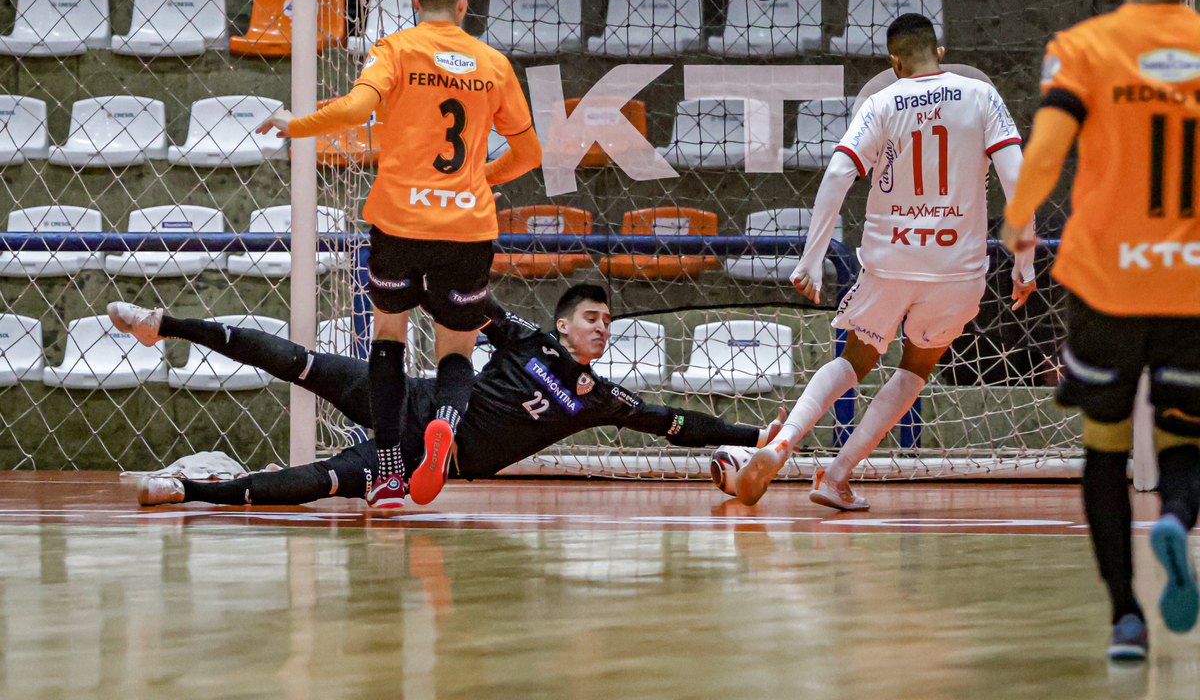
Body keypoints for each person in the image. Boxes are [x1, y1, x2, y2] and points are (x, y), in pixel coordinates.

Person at [256, 0, 543, 508]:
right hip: (466, 225)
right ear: (465, 4)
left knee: (389, 336)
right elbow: (529, 152)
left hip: (399, 221)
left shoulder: (396, 48)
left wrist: (296, 124)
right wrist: (476, 179)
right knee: (456, 347)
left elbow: (355, 109)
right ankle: (445, 423)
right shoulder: (494, 63)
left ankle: (388, 470)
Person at [722, 13, 1037, 508]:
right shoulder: (981, 95)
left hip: (889, 262)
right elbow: (1018, 178)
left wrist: (810, 259)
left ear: (895, 62)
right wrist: (1025, 260)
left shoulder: (881, 101)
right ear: (940, 51)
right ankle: (836, 476)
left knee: (855, 359)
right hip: (956, 270)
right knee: (915, 368)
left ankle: (782, 444)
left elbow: (837, 175)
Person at [1001, 0, 1200, 662]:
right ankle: (1176, 517)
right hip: (1192, 288)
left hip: (1107, 283)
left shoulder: (1083, 48)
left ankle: (1126, 619)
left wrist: (1016, 221)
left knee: (1106, 448)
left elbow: (1047, 151)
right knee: (1184, 437)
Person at [112, 286, 783, 508]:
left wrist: (754, 436)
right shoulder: (526, 340)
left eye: (608, 323)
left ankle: (185, 491)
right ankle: (163, 325)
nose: (602, 329)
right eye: (592, 319)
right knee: (299, 361)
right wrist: (430, 273)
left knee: (324, 481)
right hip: (411, 397)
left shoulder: (600, 398)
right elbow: (467, 301)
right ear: (562, 325)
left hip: (430, 455)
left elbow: (674, 421)